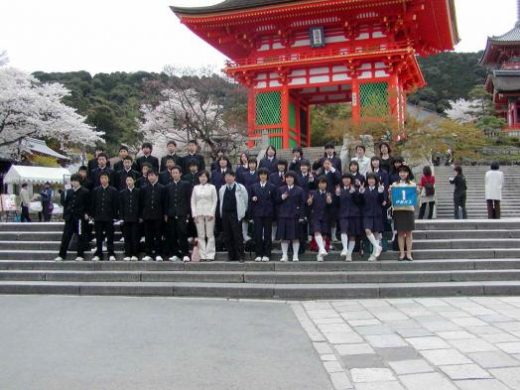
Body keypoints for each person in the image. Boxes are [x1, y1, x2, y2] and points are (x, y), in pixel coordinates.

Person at [54, 174, 90, 261]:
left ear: (79, 181)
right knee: (66, 236)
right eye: (72, 181)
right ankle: (61, 255)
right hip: (69, 217)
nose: (74, 182)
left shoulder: (85, 191)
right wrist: (64, 193)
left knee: (80, 236)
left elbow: (88, 204)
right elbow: (64, 203)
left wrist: (87, 213)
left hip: (80, 217)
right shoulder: (68, 191)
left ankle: (80, 255)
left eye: (76, 181)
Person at [218, 171, 248, 262]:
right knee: (228, 235)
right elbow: (221, 200)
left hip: (236, 214)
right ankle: (231, 255)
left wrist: (242, 212)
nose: (228, 178)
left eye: (230, 176)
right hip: (225, 214)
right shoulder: (222, 189)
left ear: (234, 177)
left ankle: (241, 256)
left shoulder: (240, 187)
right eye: (226, 177)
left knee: (237, 235)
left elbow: (245, 200)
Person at [164, 167, 192, 262]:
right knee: (172, 235)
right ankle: (175, 253)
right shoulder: (168, 186)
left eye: (176, 172)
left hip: (182, 213)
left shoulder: (186, 184)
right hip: (171, 214)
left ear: (180, 174)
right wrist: (166, 214)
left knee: (183, 234)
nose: (175, 174)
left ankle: (185, 253)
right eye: (173, 173)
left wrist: (188, 213)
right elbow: (166, 201)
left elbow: (189, 199)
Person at [276, 171, 306, 262]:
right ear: (285, 179)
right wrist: (281, 197)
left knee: (295, 237)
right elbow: (276, 202)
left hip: (295, 216)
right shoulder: (281, 189)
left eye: (291, 177)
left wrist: (302, 216)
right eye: (287, 177)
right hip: (283, 215)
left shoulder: (299, 190)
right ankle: (284, 255)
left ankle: (295, 255)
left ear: (294, 179)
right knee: (284, 237)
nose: (289, 179)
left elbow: (302, 204)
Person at [390, 165, 417, 261]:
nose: (402, 174)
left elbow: (416, 199)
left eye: (404, 172)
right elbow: (392, 199)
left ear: (408, 173)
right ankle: (402, 253)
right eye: (401, 172)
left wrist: (418, 192)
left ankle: (409, 253)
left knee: (409, 232)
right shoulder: (394, 185)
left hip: (409, 210)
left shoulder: (413, 185)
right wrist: (390, 192)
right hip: (398, 210)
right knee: (400, 232)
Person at [90, 172, 119, 261]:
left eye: (105, 178)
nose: (103, 180)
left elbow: (115, 205)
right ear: (100, 179)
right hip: (98, 217)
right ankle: (99, 254)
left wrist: (115, 216)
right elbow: (93, 204)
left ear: (108, 179)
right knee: (98, 237)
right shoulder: (96, 190)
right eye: (102, 178)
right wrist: (92, 216)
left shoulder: (113, 190)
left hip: (109, 217)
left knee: (110, 236)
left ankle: (111, 253)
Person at [250, 168, 276, 262]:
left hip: (268, 213)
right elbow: (250, 201)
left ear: (267, 176)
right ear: (259, 176)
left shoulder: (272, 186)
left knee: (267, 234)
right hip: (257, 213)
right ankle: (258, 253)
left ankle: (267, 254)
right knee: (258, 234)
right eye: (261, 174)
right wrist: (253, 199)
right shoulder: (254, 186)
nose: (263, 176)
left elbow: (274, 201)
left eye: (265, 174)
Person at [191, 171, 218, 261]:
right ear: (198, 178)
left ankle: (210, 255)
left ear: (207, 178)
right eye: (201, 176)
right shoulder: (195, 188)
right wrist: (194, 215)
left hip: (209, 213)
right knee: (201, 235)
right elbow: (193, 202)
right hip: (198, 214)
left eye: (204, 176)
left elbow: (215, 201)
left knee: (210, 234)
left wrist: (212, 213)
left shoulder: (212, 187)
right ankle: (202, 255)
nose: (203, 178)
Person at [139, 170, 165, 261]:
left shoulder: (162, 188)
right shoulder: (143, 188)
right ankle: (148, 253)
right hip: (147, 216)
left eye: (152, 175)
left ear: (157, 176)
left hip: (158, 215)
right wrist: (141, 215)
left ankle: (158, 253)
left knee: (158, 235)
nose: (150, 177)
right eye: (149, 175)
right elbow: (141, 202)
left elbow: (164, 203)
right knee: (148, 235)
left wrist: (164, 214)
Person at [337, 174, 363, 261]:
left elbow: (359, 202)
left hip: (354, 214)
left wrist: (355, 193)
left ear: (351, 180)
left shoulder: (355, 189)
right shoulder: (339, 190)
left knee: (352, 235)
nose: (346, 180)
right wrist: (336, 196)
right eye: (344, 179)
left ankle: (349, 254)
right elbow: (336, 204)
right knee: (343, 230)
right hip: (343, 214)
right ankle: (345, 248)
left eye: (348, 178)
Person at [307, 177, 333, 261]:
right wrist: (309, 202)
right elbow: (308, 204)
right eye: (321, 183)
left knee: (324, 235)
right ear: (318, 184)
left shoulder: (329, 193)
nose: (322, 185)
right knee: (317, 231)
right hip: (315, 216)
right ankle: (322, 249)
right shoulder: (312, 193)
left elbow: (332, 205)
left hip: (326, 217)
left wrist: (329, 202)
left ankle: (320, 254)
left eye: (324, 183)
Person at [361, 173, 385, 261]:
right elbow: (360, 202)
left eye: (373, 179)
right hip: (367, 214)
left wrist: (381, 193)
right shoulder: (364, 189)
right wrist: (360, 193)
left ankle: (374, 255)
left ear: (376, 180)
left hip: (377, 213)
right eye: (369, 179)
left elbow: (382, 202)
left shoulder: (379, 189)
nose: (371, 180)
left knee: (376, 234)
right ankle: (378, 247)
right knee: (367, 230)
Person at [119, 175, 140, 261]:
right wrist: (121, 217)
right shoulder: (123, 192)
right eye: (127, 180)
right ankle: (127, 254)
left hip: (135, 218)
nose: (129, 182)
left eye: (130, 180)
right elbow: (121, 206)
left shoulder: (138, 191)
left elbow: (141, 205)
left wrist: (140, 216)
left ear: (134, 181)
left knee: (135, 237)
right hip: (126, 218)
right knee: (127, 237)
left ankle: (135, 254)